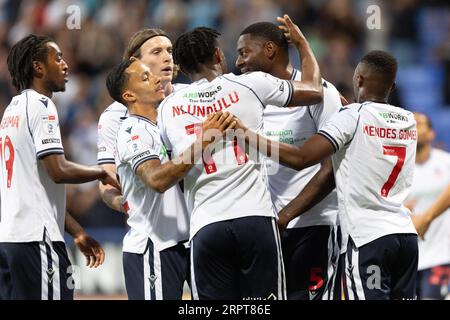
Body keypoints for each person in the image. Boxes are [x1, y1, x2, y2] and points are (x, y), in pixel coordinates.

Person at [158, 14, 323, 299]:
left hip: (206, 224)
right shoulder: (250, 84)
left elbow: (175, 170)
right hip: (255, 219)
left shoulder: (168, 107)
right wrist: (301, 44)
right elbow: (314, 90)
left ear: (181, 68)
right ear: (218, 54)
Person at [233, 50, 419, 300]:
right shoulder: (408, 121)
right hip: (405, 236)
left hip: (368, 238)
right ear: (392, 85)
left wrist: (246, 134)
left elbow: (302, 158)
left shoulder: (352, 116)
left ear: (358, 79)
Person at [0, 34, 118, 300]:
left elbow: (37, 185)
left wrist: (76, 232)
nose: (65, 65)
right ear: (38, 67)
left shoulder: (11, 111)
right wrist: (101, 171)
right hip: (37, 242)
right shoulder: (42, 105)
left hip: (10, 240)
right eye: (58, 58)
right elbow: (58, 171)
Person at [106, 58, 234, 299]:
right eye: (145, 77)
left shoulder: (162, 125)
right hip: (153, 247)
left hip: (186, 242)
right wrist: (204, 141)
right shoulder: (133, 132)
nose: (156, 79)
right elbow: (156, 180)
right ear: (129, 96)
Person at [235, 21, 343, 300]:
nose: (238, 61)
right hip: (264, 230)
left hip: (313, 227)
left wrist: (283, 218)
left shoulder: (323, 95)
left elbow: (331, 171)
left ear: (270, 49)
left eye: (244, 52)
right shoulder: (248, 99)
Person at [97, 28, 185, 213]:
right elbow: (108, 181)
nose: (167, 57)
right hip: (151, 231)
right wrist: (125, 204)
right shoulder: (114, 116)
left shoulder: (190, 98)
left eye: (169, 50)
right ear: (135, 63)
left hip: (196, 223)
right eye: (156, 52)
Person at [405, 112, 450, 300]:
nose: (414, 128)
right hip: (409, 260)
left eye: (419, 123)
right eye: (410, 125)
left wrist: (426, 218)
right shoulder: (400, 169)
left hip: (441, 255)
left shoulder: (446, 162)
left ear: (431, 133)